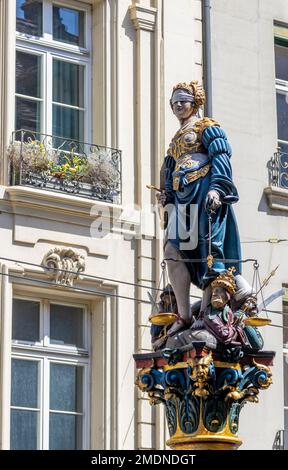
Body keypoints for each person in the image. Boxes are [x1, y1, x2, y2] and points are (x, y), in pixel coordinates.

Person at [157, 80, 242, 335]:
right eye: (174, 102)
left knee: (208, 249)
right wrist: (167, 196)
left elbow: (221, 157)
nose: (179, 105)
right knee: (172, 248)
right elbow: (169, 171)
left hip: (204, 192)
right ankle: (183, 314)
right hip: (182, 200)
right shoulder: (175, 141)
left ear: (196, 102)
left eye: (183, 100)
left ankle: (206, 311)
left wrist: (217, 188)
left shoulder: (207, 126)